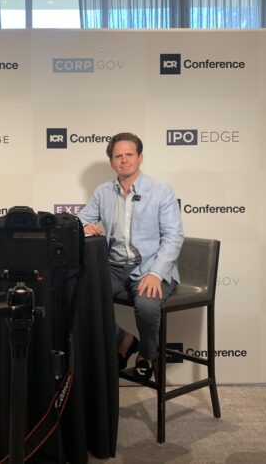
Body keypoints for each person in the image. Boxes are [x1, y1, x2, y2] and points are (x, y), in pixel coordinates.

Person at [78, 132, 183, 382]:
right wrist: (83, 227)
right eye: (118, 156)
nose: (124, 160)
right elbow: (80, 219)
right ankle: (123, 339)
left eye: (129, 155)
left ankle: (146, 354)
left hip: (150, 265)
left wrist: (156, 273)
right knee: (78, 293)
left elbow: (174, 237)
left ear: (140, 158)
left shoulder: (161, 191)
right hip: (113, 267)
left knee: (147, 305)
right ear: (111, 162)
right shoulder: (103, 192)